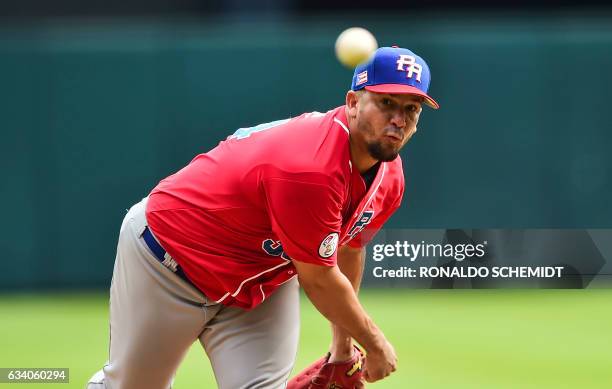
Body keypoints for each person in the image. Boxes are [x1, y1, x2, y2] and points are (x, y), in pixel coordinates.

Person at [87, 46, 439, 389]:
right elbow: (318, 279)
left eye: (412, 108)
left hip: (259, 279)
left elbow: (348, 250)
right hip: (170, 260)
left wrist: (343, 348)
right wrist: (375, 345)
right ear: (352, 103)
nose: (398, 119)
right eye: (386, 103)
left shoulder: (390, 179)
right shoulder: (311, 168)